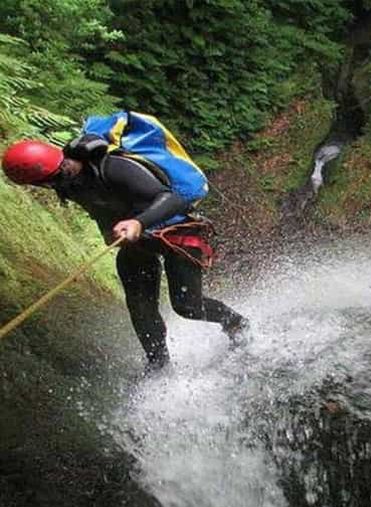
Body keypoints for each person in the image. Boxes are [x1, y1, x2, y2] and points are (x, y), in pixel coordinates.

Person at [2, 137, 249, 373]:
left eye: (62, 169)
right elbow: (100, 208)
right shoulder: (67, 183)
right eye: (47, 181)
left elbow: (173, 199)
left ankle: (237, 324)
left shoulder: (114, 167)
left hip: (177, 233)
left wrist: (138, 222)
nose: (56, 180)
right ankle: (158, 365)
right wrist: (112, 232)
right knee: (140, 307)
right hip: (137, 243)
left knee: (187, 306)